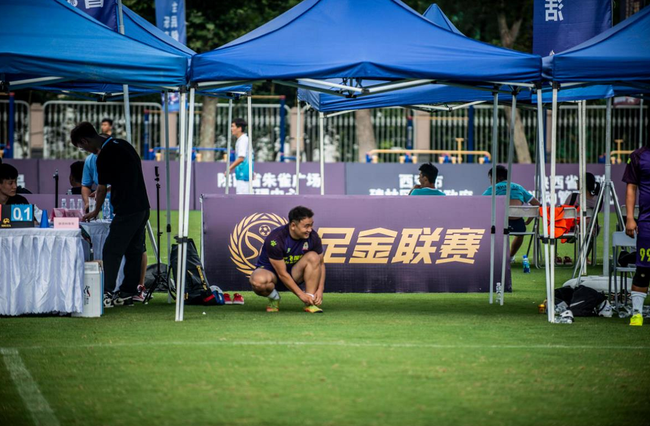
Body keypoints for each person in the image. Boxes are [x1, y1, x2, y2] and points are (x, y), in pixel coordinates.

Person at [71, 122, 150, 307]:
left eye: (82, 147)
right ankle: (128, 292)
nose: (85, 151)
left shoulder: (104, 155)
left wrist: (95, 210)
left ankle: (106, 292)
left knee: (111, 250)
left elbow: (101, 187)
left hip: (127, 209)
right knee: (134, 251)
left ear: (85, 140)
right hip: (142, 206)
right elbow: (126, 177)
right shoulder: (123, 144)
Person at [249, 206, 325, 313]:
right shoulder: (276, 239)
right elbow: (282, 274)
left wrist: (320, 290)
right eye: (306, 226)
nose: (310, 230)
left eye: (311, 225)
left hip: (294, 274)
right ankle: (274, 297)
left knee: (314, 257)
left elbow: (321, 264)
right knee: (257, 281)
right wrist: (300, 294)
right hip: (272, 274)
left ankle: (310, 302)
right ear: (293, 225)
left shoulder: (313, 237)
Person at [483, 165, 540, 263]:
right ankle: (510, 256)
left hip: (499, 224)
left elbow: (480, 202)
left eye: (491, 178)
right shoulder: (519, 187)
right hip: (518, 225)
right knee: (520, 234)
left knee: (491, 231)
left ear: (497, 178)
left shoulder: (493, 188)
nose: (490, 181)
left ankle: (498, 257)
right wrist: (528, 220)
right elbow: (537, 204)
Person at [623, 146, 650, 326]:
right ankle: (637, 313)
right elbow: (631, 188)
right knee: (643, 269)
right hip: (647, 222)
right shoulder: (638, 156)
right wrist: (630, 218)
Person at [225, 118, 253, 194]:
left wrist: (229, 168)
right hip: (244, 175)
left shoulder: (243, 140)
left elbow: (241, 158)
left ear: (239, 128)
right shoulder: (243, 139)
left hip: (243, 176)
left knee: (243, 199)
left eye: (233, 126)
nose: (231, 129)